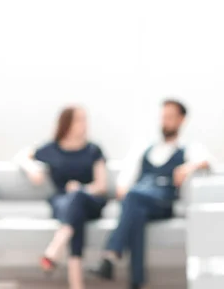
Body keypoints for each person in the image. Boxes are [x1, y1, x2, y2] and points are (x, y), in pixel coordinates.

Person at [90, 99, 211, 289]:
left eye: (170, 117)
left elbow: (207, 161)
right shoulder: (145, 148)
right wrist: (123, 189)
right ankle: (135, 282)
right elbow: (125, 181)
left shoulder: (188, 149)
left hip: (163, 202)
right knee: (135, 212)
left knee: (133, 199)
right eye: (163, 117)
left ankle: (112, 253)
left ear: (181, 120)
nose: (165, 121)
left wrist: (189, 166)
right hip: (139, 199)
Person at [15, 106, 108, 289]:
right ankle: (76, 284)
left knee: (77, 199)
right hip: (63, 204)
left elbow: (101, 186)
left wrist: (81, 188)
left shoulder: (93, 150)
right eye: (79, 120)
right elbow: (21, 156)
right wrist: (32, 168)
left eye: (85, 119)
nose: (84, 124)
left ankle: (55, 250)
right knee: (74, 214)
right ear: (67, 123)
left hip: (90, 201)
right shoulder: (51, 149)